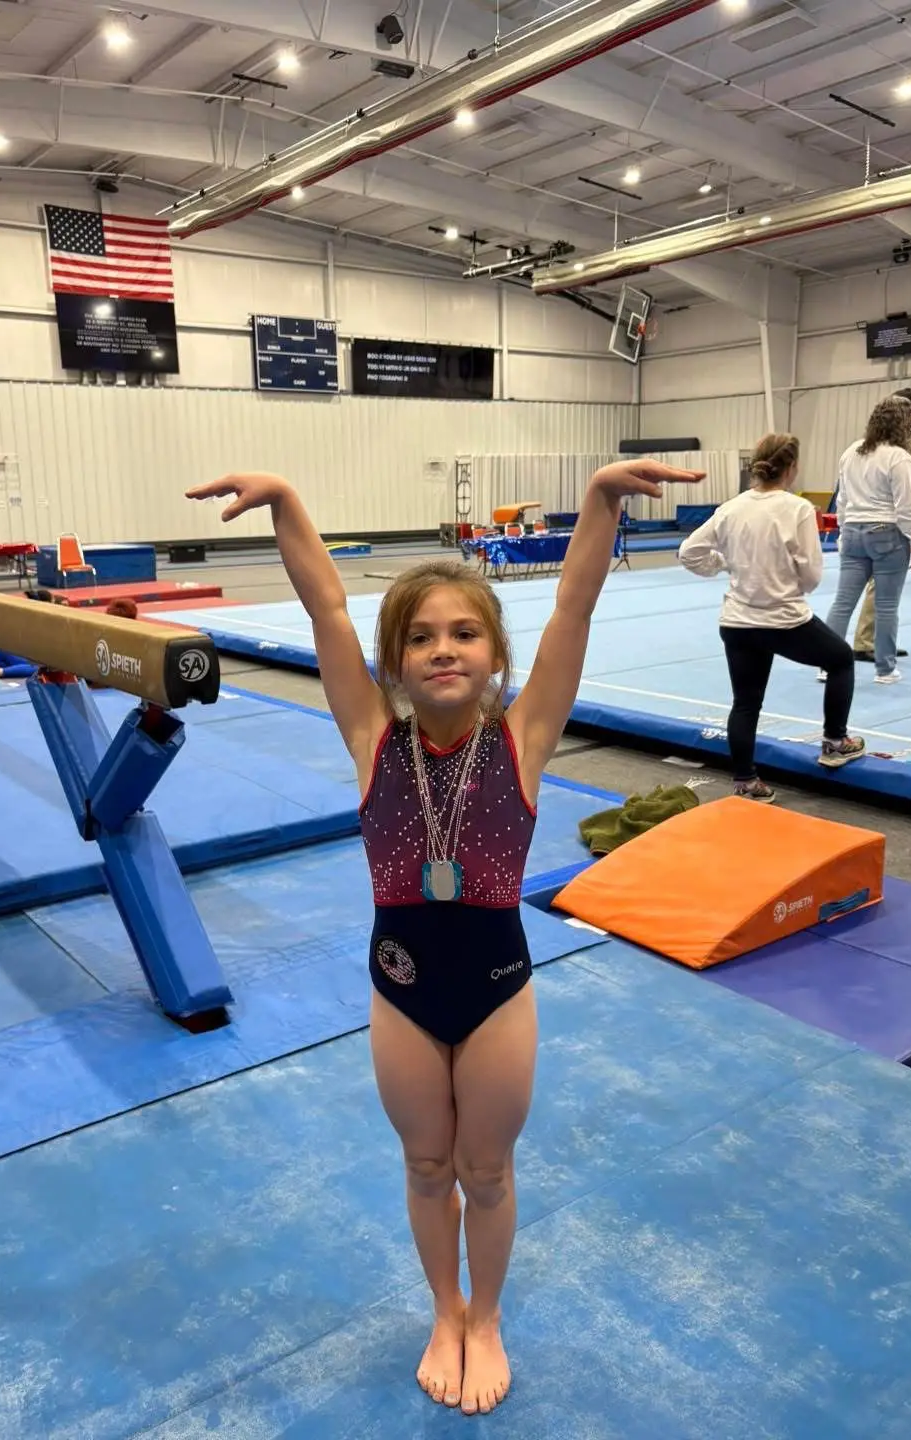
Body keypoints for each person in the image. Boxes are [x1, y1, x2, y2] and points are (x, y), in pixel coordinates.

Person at [186, 456, 704, 1415]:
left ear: (495, 657)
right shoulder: (369, 739)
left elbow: (574, 616)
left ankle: (490, 1315)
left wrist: (596, 500)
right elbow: (328, 616)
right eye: (420, 637)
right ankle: (445, 1308)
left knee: (487, 1170)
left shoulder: (525, 737)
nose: (443, 649)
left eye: (465, 632)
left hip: (499, 985)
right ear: (395, 663)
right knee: (427, 1166)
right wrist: (294, 504)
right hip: (402, 988)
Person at [679, 433, 864, 804]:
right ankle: (834, 741)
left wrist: (723, 562)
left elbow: (688, 553)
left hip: (738, 622)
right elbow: (811, 576)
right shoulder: (795, 510)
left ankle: (746, 782)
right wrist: (785, 576)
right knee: (841, 659)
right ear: (791, 469)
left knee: (746, 702)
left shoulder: (732, 508)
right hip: (784, 620)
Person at [826, 397, 911, 684]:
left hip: (855, 532)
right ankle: (885, 670)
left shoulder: (851, 452)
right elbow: (905, 506)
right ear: (904, 424)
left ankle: (827, 665)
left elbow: (841, 500)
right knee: (886, 606)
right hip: (887, 533)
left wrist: (844, 534)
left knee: (843, 603)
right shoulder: (899, 456)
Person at [851, 387, 911, 662]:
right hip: (890, 522)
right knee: (883, 587)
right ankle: (867, 642)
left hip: (864, 519)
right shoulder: (905, 445)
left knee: (866, 589)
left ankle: (873, 641)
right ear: (910, 413)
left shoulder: (870, 443)